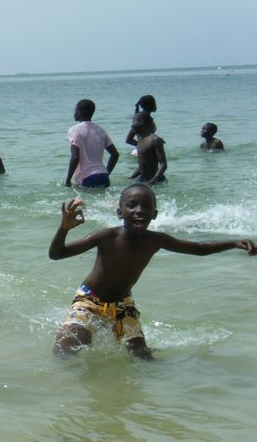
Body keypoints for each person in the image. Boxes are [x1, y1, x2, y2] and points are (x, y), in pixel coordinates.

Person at [48, 185, 256, 358]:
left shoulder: (156, 240)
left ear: (154, 215)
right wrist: (64, 228)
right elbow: (56, 254)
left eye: (146, 207)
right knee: (66, 350)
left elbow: (199, 249)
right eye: (132, 205)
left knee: (142, 358)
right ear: (120, 212)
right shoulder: (106, 237)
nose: (139, 210)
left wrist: (234, 242)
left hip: (122, 305)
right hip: (89, 301)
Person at [65, 99, 119, 189]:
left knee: (85, 202)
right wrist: (106, 172)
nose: (74, 113)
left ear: (80, 112)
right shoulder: (100, 130)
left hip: (87, 177)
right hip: (103, 176)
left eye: (75, 110)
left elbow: (75, 157)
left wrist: (68, 180)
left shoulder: (74, 130)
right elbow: (115, 154)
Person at [128, 115, 167, 184]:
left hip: (156, 180)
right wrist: (131, 177)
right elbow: (142, 165)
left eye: (134, 122)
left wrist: (154, 180)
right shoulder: (140, 141)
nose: (132, 125)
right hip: (143, 179)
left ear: (142, 123)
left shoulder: (155, 140)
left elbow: (163, 164)